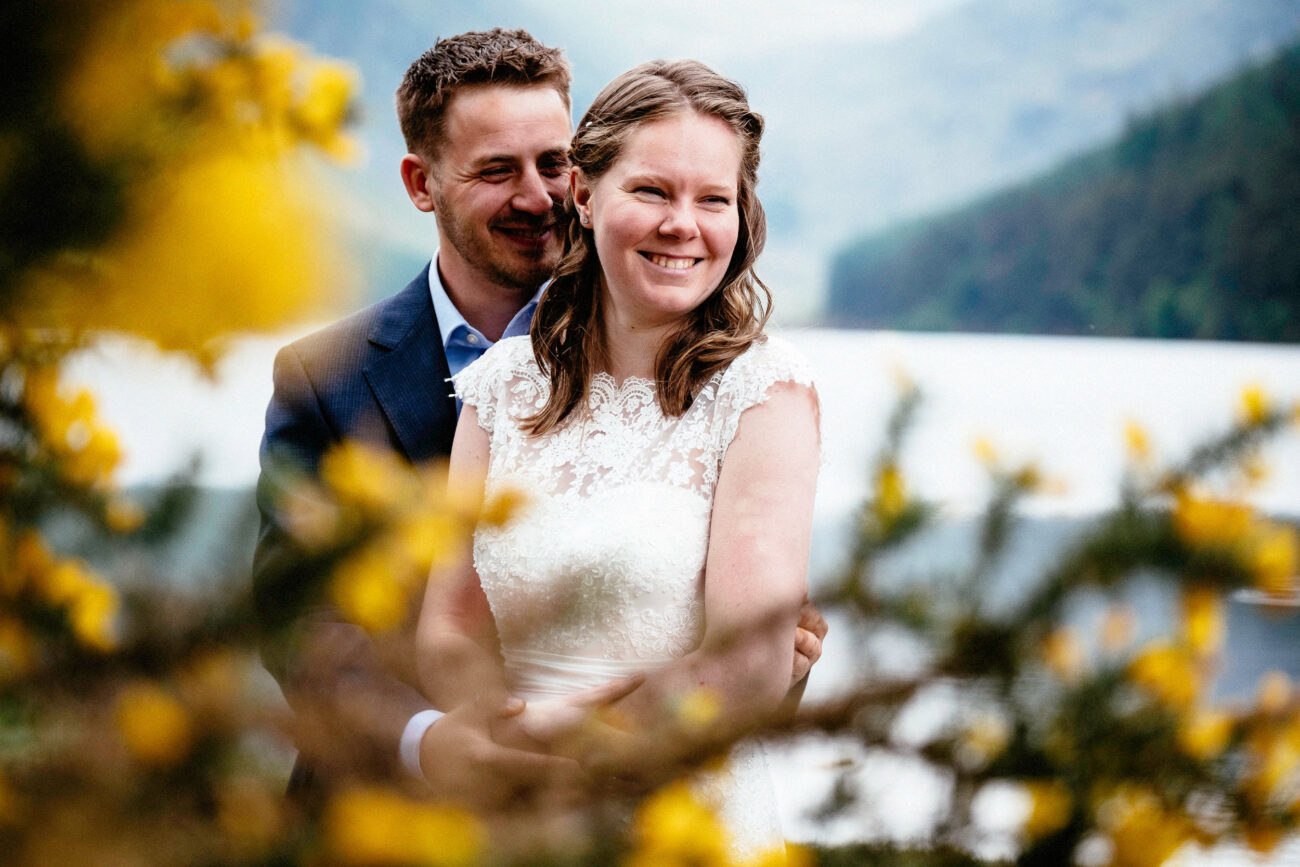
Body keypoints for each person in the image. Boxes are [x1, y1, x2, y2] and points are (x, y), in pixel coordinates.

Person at [252, 29, 826, 807]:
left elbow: (740, 649)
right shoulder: (329, 378)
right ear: (422, 184)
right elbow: (302, 626)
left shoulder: (742, 381)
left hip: (655, 789)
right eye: (496, 170)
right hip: (381, 809)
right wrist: (433, 741)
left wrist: (760, 676)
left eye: (553, 163)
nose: (538, 196)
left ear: (581, 175)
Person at [416, 59, 820, 856]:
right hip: (513, 809)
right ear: (586, 193)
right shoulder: (499, 385)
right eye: (653, 191)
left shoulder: (765, 394)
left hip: (680, 814)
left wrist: (567, 734)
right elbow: (448, 627)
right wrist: (498, 743)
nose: (684, 224)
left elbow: (750, 660)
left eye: (713, 199)